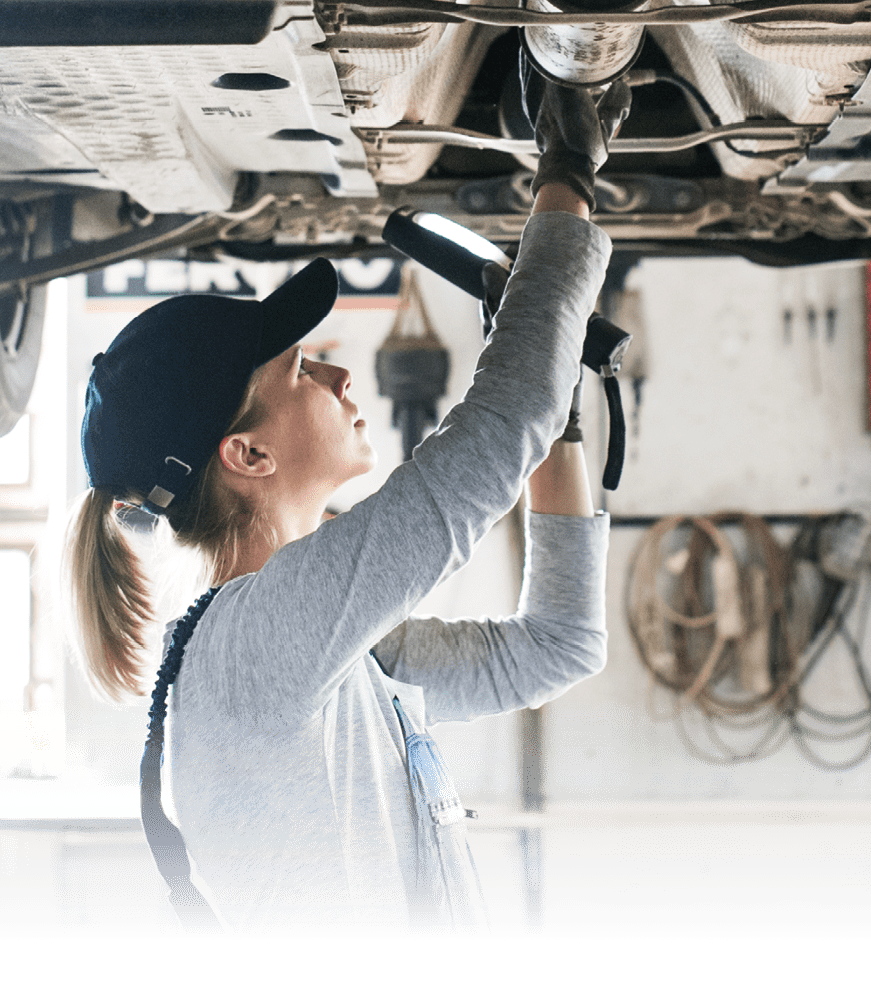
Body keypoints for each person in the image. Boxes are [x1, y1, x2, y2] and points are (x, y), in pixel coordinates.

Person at [64, 66, 632, 934]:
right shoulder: (264, 640)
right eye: (299, 369)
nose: (334, 371)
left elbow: (558, 646)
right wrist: (568, 172)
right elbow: (495, 431)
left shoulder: (316, 648)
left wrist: (557, 418)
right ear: (245, 452)